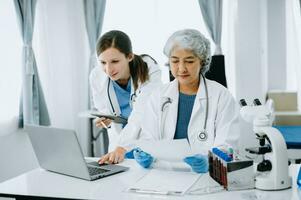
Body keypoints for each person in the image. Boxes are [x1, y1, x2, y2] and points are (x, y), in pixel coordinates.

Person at [99, 29, 240, 173]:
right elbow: (148, 138)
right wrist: (146, 155)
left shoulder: (221, 96)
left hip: (206, 176)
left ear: (202, 61)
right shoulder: (158, 96)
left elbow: (227, 145)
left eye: (189, 61)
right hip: (164, 175)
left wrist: (209, 161)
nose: (181, 68)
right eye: (174, 61)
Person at [90, 30, 162, 153]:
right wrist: (106, 120)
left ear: (129, 56)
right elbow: (103, 108)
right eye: (103, 62)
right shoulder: (97, 76)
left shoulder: (149, 69)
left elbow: (141, 112)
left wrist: (122, 147)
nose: (108, 69)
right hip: (119, 140)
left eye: (115, 61)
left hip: (146, 137)